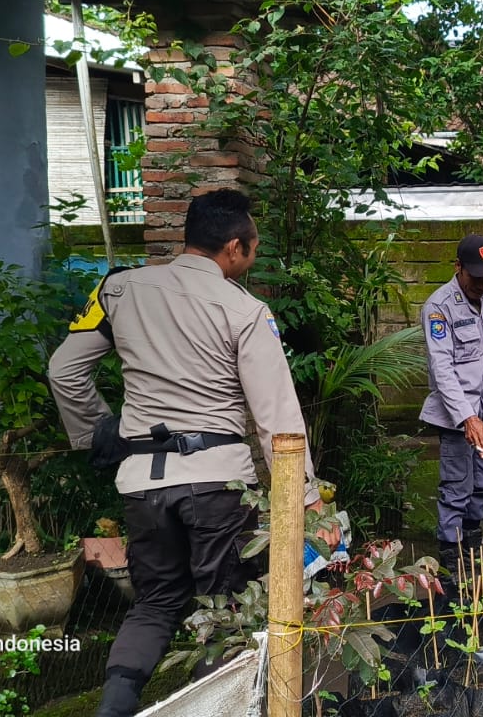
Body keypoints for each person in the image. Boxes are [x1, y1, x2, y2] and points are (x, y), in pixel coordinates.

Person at [48, 188, 316, 717]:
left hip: (142, 484)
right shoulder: (246, 310)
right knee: (226, 610)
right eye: (253, 247)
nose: (252, 256)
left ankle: (115, 708)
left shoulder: (118, 289)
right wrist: (302, 494)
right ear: (235, 248)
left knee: (155, 603)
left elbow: (63, 370)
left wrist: (98, 432)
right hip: (217, 485)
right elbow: (276, 416)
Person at [419, 234, 483, 580]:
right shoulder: (438, 307)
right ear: (458, 268)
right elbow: (441, 370)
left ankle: (472, 541)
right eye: (477, 277)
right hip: (457, 417)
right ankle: (450, 551)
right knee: (457, 485)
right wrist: (467, 417)